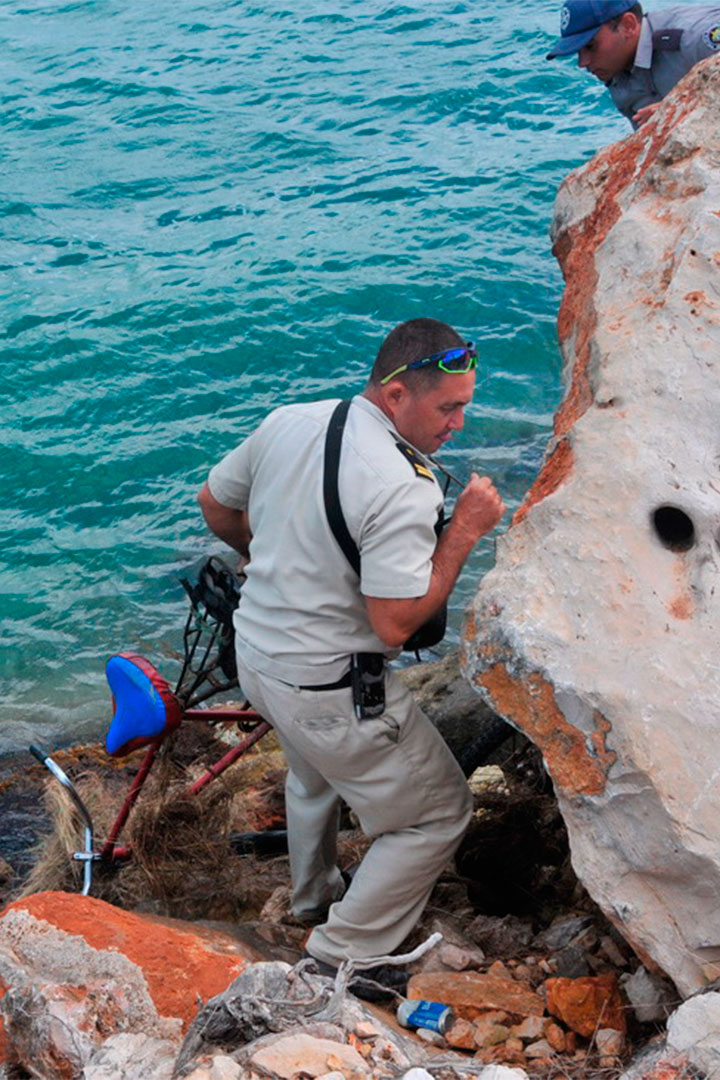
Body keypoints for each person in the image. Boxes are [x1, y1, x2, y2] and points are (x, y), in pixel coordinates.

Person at [197, 318, 505, 989]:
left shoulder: (291, 419)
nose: (458, 423)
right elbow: (396, 626)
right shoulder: (401, 484)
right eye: (448, 407)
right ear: (396, 395)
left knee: (313, 772)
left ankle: (310, 900)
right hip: (329, 684)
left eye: (465, 406)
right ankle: (338, 952)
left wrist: (278, 558)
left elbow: (215, 506)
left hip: (259, 654)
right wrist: (464, 536)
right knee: (437, 813)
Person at [546, 1, 720, 127]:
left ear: (628, 25)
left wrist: (681, 107)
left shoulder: (694, 37)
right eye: (578, 51)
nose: (583, 63)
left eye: (591, 46)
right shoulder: (615, 72)